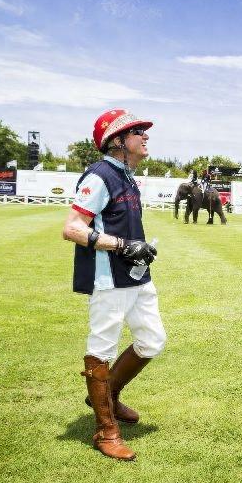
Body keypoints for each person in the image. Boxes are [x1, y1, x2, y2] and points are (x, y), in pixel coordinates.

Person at [62, 108, 165, 461]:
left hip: (136, 276)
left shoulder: (127, 176)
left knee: (152, 341)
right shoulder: (100, 175)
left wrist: (141, 246)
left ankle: (108, 396)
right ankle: (105, 431)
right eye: (138, 132)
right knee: (101, 348)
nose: (145, 136)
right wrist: (122, 245)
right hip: (108, 278)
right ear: (118, 141)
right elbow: (72, 228)